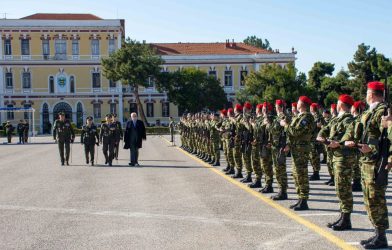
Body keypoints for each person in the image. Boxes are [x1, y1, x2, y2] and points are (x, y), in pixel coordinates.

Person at [343, 81, 389, 249]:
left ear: (371, 94)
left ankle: (382, 236)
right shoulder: (370, 112)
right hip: (366, 160)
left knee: (376, 198)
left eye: (367, 93)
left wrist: (372, 148)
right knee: (369, 198)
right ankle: (377, 233)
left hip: (376, 161)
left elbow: (387, 138)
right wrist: (351, 141)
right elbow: (360, 130)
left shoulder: (383, 111)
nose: (366, 96)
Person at [317, 94, 356, 231]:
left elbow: (349, 135)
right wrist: (321, 135)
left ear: (341, 104)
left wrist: (338, 143)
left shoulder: (348, 119)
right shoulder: (336, 119)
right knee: (339, 188)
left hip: (344, 157)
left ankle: (346, 220)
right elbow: (325, 129)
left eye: (338, 102)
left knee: (344, 188)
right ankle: (342, 216)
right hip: (336, 157)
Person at [281, 96, 315, 211]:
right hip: (296, 149)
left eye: (299, 102)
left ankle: (304, 200)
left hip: (302, 150)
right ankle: (300, 198)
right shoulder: (299, 117)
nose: (297, 103)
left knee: (302, 175)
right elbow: (292, 134)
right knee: (296, 175)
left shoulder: (307, 117)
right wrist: (289, 145)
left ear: (303, 104)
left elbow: (295, 132)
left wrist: (285, 125)